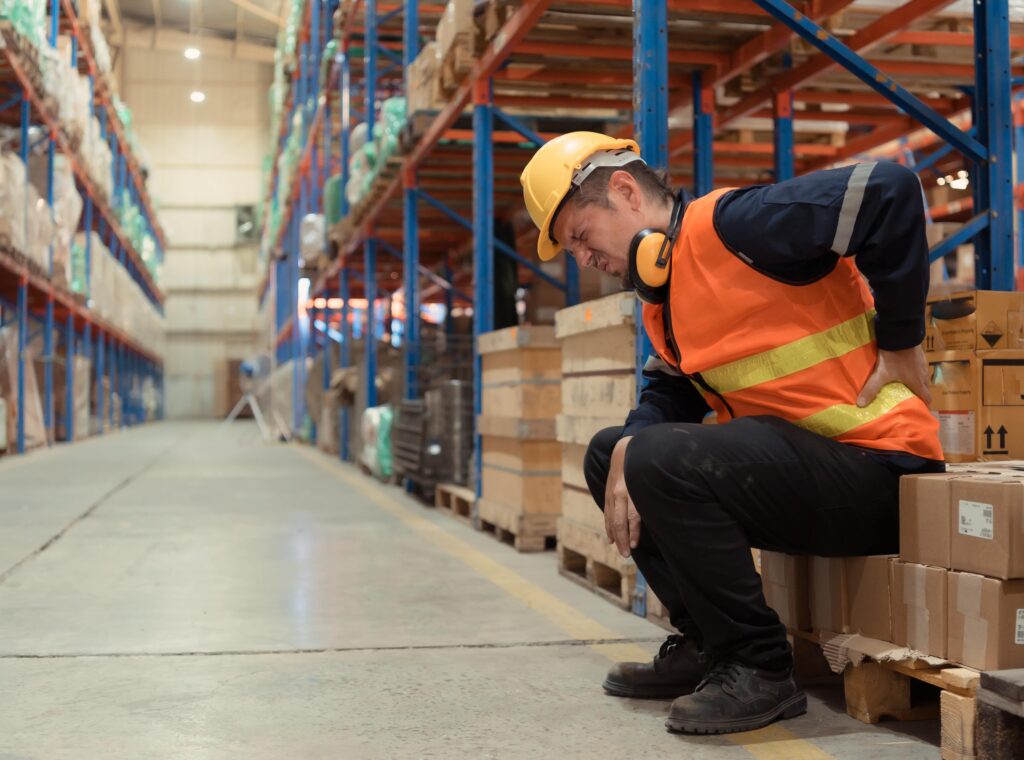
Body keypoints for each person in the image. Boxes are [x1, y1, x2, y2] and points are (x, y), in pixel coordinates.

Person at [519, 132, 944, 735]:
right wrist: (625, 448)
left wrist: (902, 340)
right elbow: (670, 392)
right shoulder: (662, 300)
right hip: (804, 481)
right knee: (609, 453)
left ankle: (760, 668)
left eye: (581, 238)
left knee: (656, 456)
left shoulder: (736, 227)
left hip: (881, 472)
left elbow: (890, 189)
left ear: (624, 191)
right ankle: (707, 646)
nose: (583, 260)